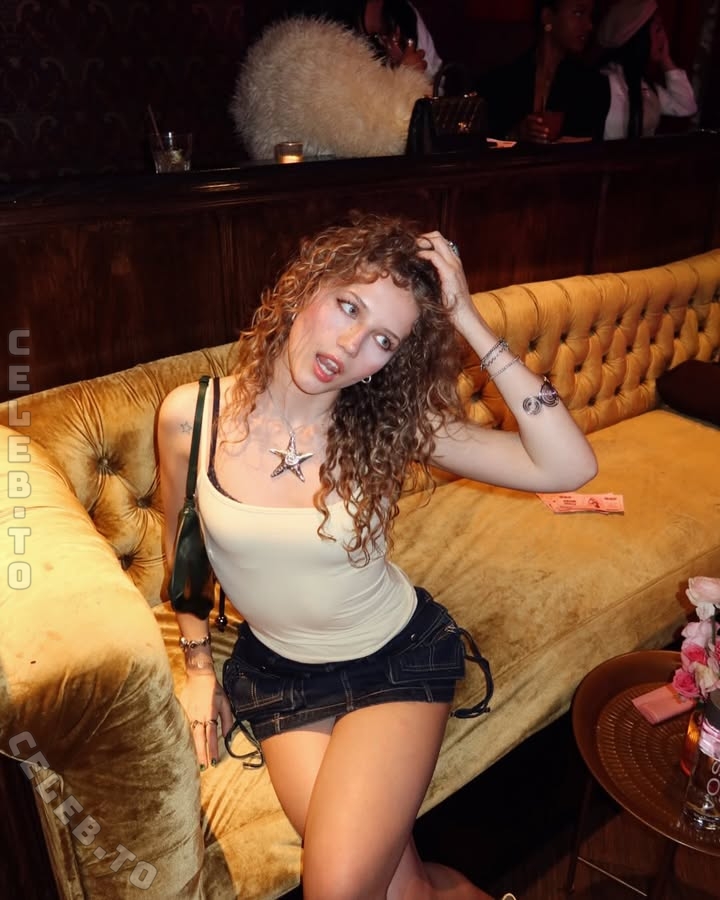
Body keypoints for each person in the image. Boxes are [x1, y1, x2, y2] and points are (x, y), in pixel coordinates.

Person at [158, 213, 597, 899]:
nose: (352, 344)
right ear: (306, 287)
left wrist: (468, 320)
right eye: (349, 306)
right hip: (280, 676)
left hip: (394, 660)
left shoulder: (390, 427)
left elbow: (569, 466)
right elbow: (182, 546)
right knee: (398, 888)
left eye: (383, 340)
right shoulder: (192, 415)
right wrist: (197, 668)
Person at [229, 9, 431, 159]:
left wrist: (394, 71)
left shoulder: (402, 14)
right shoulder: (312, 54)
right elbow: (398, 131)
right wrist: (409, 75)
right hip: (322, 196)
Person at [479, 0, 610, 142]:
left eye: (590, 16)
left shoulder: (593, 85)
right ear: (547, 17)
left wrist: (563, 129)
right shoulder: (500, 82)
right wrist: (516, 134)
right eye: (578, 13)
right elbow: (484, 141)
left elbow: (590, 143)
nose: (589, 25)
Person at [595, 0, 697, 140]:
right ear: (640, 37)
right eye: (658, 30)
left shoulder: (643, 84)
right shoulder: (606, 81)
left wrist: (665, 59)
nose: (663, 37)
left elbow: (686, 106)